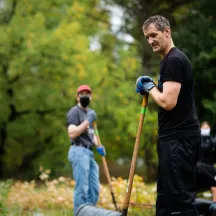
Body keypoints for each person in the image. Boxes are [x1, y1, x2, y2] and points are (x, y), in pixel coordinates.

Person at [136, 15, 201, 216]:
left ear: (167, 32)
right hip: (170, 139)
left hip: (179, 140)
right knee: (165, 201)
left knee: (180, 203)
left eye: (154, 35)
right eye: (147, 37)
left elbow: (167, 102)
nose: (150, 40)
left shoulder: (173, 60)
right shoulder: (168, 61)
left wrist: (150, 88)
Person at [66, 84, 106, 214]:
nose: (85, 96)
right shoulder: (74, 112)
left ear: (91, 96)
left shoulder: (90, 114)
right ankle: (79, 213)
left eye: (87, 93)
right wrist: (87, 121)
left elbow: (92, 136)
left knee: (94, 189)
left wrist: (99, 146)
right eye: (81, 93)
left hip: (89, 153)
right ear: (77, 97)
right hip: (78, 151)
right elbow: (72, 133)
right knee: (82, 188)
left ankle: (87, 213)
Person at [196, 121, 216, 201]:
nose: (205, 130)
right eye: (204, 128)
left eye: (206, 128)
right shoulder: (197, 140)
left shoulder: (212, 141)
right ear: (200, 129)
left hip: (210, 168)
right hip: (198, 168)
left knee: (214, 185)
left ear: (210, 129)